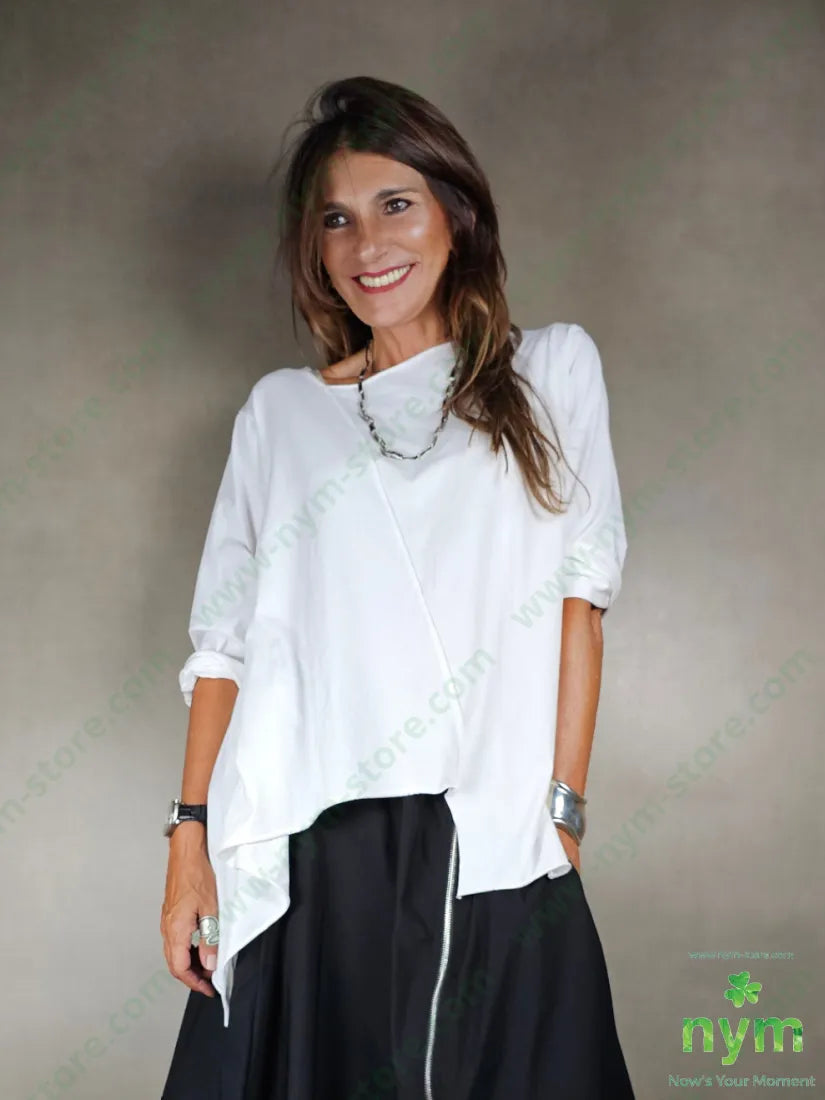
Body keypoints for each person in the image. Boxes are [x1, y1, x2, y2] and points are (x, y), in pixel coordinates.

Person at [160, 75, 635, 1099]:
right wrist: (188, 840)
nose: (367, 244)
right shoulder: (281, 414)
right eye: (337, 219)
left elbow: (580, 601)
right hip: (315, 839)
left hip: (489, 826)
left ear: (456, 214)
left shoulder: (550, 372)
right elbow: (225, 644)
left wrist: (561, 808)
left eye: (395, 205)